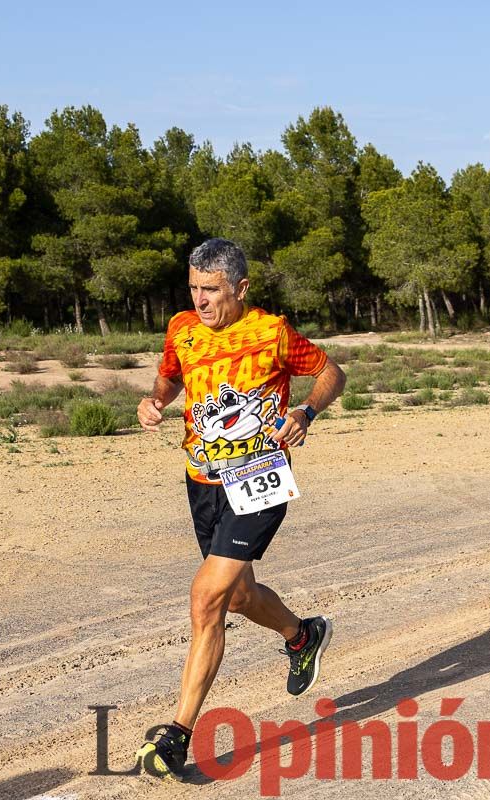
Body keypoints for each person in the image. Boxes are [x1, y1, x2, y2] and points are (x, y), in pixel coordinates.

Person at [134, 238, 347, 779]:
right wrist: (156, 399)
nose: (200, 300)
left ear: (241, 288)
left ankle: (177, 736)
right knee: (238, 595)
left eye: (211, 290)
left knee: (207, 596)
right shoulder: (183, 328)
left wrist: (305, 410)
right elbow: (171, 373)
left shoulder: (271, 333)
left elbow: (331, 373)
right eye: (193, 289)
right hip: (202, 479)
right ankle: (303, 635)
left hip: (259, 477)